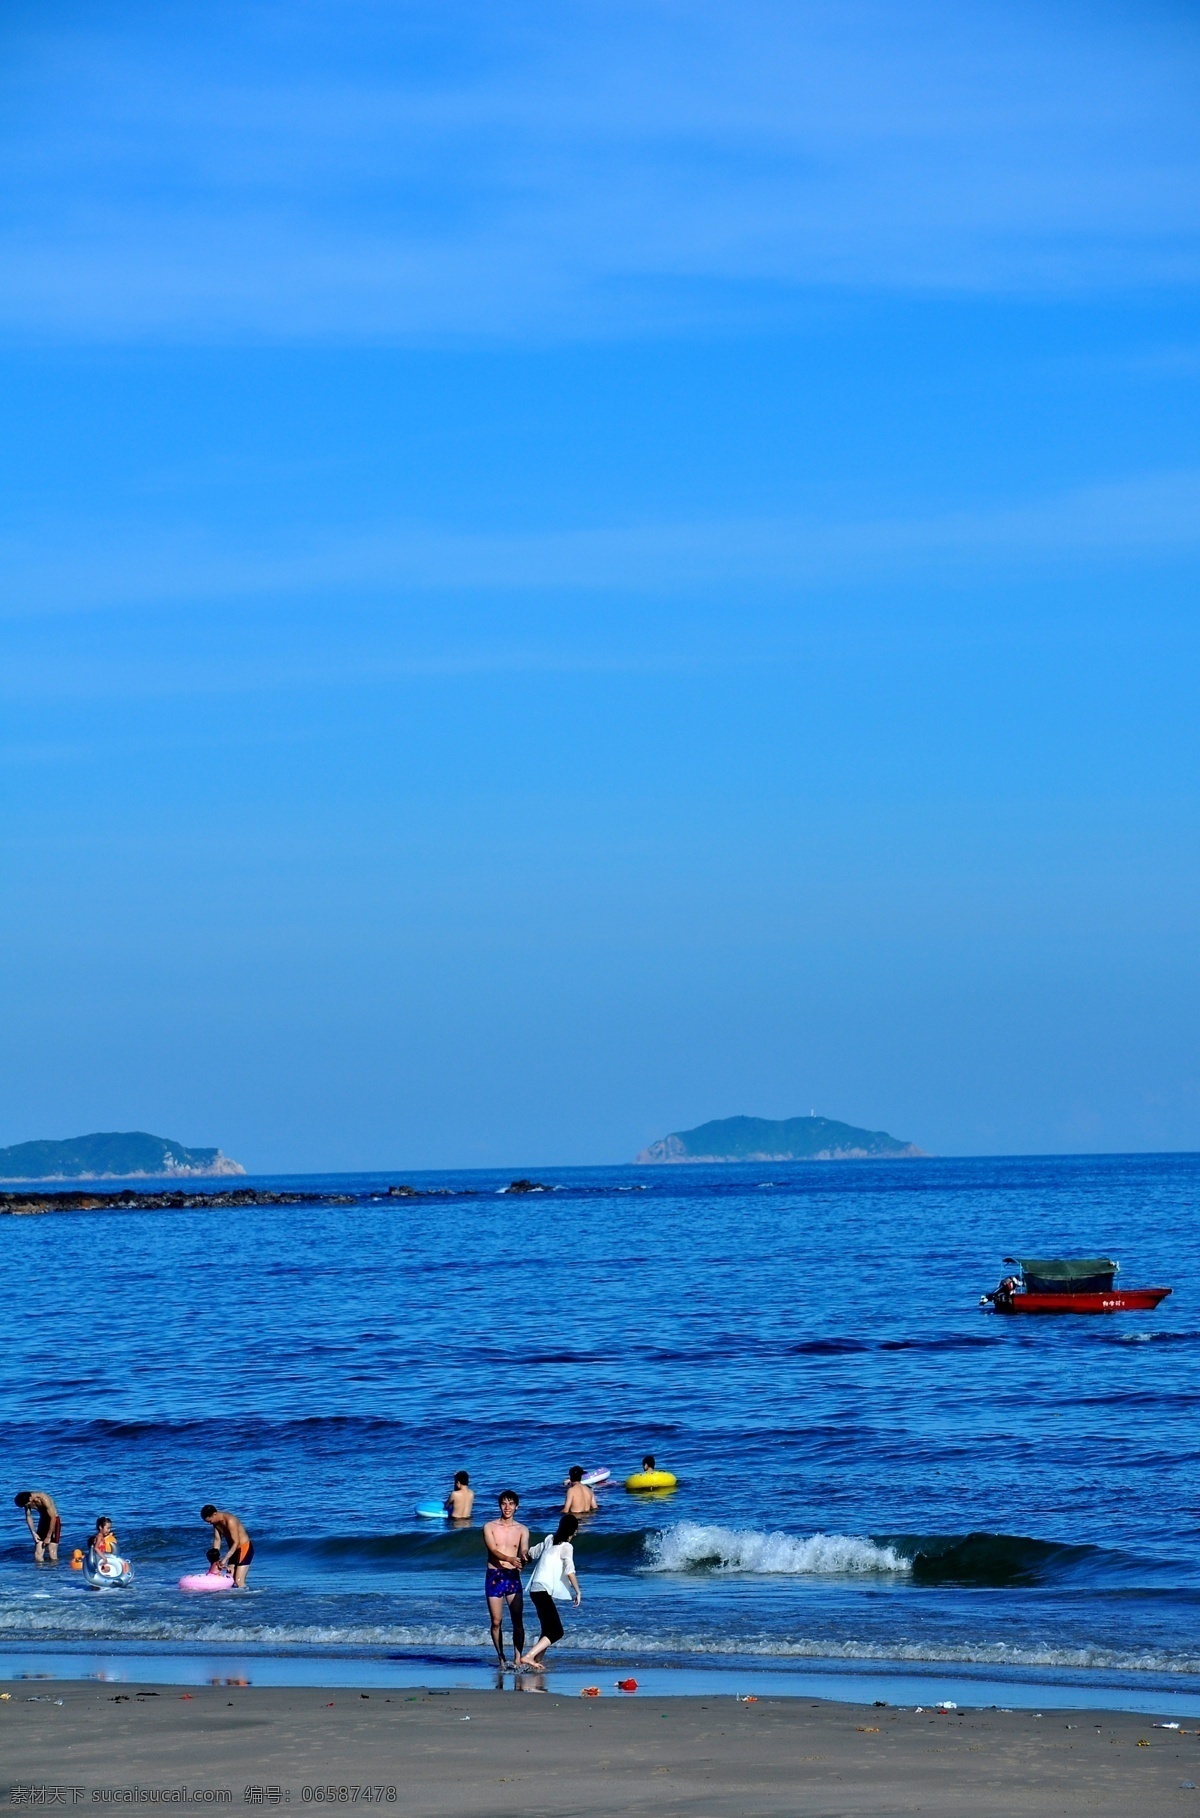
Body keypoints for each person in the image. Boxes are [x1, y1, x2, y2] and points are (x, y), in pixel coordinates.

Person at [518, 1514, 581, 1670]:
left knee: (547, 1628)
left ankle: (537, 1662)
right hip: (542, 1589)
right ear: (573, 1531)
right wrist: (578, 1591)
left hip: (535, 1588)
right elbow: (570, 1570)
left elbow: (531, 1553)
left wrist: (521, 1562)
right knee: (557, 1631)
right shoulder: (567, 1546)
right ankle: (529, 1657)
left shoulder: (549, 1540)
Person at [482, 1490, 529, 1668]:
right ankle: (501, 1658)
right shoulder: (489, 1527)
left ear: (517, 1506)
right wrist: (509, 1559)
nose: (507, 1507)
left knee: (517, 1619)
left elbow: (523, 1550)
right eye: (504, 1503)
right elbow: (493, 1550)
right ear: (499, 1505)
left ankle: (517, 1658)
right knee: (496, 1621)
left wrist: (524, 1558)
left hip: (512, 1576)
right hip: (495, 1575)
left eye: (511, 1503)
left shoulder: (522, 1529)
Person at [200, 1504, 254, 1586]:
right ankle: (232, 1599)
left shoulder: (230, 1521)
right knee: (230, 1579)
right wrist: (215, 1560)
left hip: (244, 1548)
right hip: (233, 1551)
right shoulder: (216, 1523)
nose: (209, 1524)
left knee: (238, 1581)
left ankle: (249, 1597)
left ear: (215, 1514)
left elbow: (236, 1542)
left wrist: (225, 1560)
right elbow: (217, 1540)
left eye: (209, 1521)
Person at [14, 1490, 60, 1562]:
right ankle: (40, 1572)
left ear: (30, 1499)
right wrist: (33, 1533)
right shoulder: (27, 1501)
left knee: (52, 1553)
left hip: (54, 1521)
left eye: (26, 1505)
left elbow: (53, 1518)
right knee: (38, 1552)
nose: (27, 1506)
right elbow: (28, 1516)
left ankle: (55, 1571)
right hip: (43, 1520)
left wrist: (48, 1536)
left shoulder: (44, 1499)